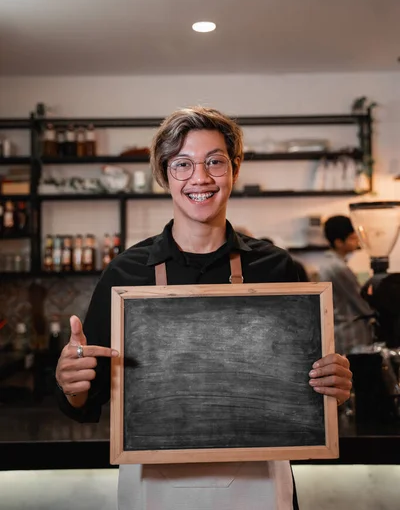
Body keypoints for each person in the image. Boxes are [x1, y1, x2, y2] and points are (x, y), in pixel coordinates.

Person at [55, 107, 352, 510]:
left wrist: (333, 387)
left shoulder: (277, 267)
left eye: (215, 161)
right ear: (164, 175)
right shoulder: (125, 273)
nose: (201, 177)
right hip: (152, 486)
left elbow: (304, 393)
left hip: (259, 482)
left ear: (234, 169)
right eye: (183, 164)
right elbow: (86, 402)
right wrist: (70, 383)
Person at [319, 215, 375, 355]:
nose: (356, 241)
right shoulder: (338, 267)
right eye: (352, 238)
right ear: (338, 242)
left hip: (343, 330)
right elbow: (359, 299)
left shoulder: (330, 263)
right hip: (350, 332)